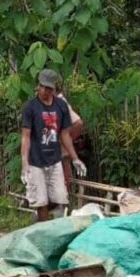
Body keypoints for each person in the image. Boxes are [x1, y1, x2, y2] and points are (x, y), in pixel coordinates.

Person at [21, 69, 86, 222]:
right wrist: (25, 164)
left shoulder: (61, 106)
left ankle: (57, 229)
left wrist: (75, 158)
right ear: (38, 85)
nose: (44, 91)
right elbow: (26, 136)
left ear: (54, 88)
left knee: (60, 199)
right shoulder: (30, 107)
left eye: (48, 88)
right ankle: (43, 230)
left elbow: (64, 134)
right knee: (41, 202)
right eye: (42, 87)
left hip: (54, 159)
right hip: (36, 161)